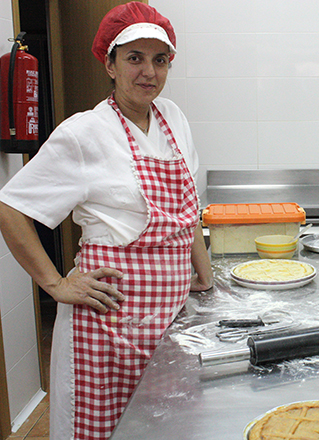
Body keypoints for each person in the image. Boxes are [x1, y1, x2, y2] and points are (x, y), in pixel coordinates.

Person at [0, 2, 213, 439]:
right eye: (134, 58)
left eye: (160, 59)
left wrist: (204, 275)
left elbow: (187, 209)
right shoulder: (85, 133)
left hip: (165, 321)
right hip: (107, 329)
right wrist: (56, 284)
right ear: (110, 64)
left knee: (162, 428)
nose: (148, 72)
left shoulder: (174, 119)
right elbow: (11, 208)